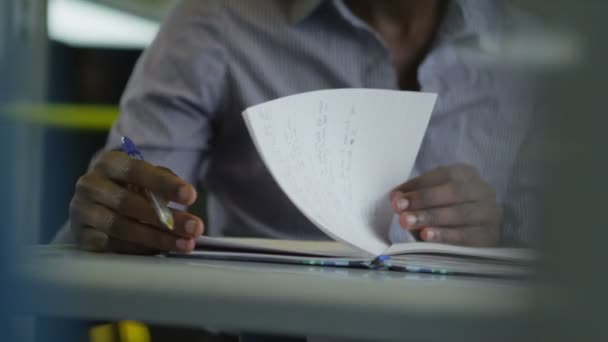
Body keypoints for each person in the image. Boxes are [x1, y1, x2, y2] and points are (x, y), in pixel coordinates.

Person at [56, 0, 536, 254]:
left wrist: (500, 235)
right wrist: (112, 218)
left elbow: (578, 262)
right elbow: (132, 209)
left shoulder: (546, 44)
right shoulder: (215, 21)